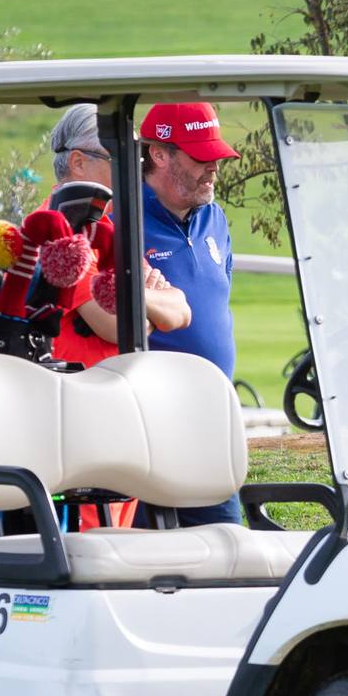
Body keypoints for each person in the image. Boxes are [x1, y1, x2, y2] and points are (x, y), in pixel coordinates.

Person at [131, 100, 240, 526]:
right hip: (148, 431)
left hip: (212, 428)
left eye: (217, 156)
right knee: (147, 566)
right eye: (201, 156)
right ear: (159, 154)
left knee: (228, 551)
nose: (214, 166)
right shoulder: (122, 218)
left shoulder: (214, 218)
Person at [39, 102, 190, 369]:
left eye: (135, 160)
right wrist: (142, 296)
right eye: (118, 160)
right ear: (78, 162)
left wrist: (131, 295)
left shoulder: (104, 227)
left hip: (113, 393)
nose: (132, 172)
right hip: (74, 395)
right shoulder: (56, 231)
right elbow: (119, 326)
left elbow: (180, 311)